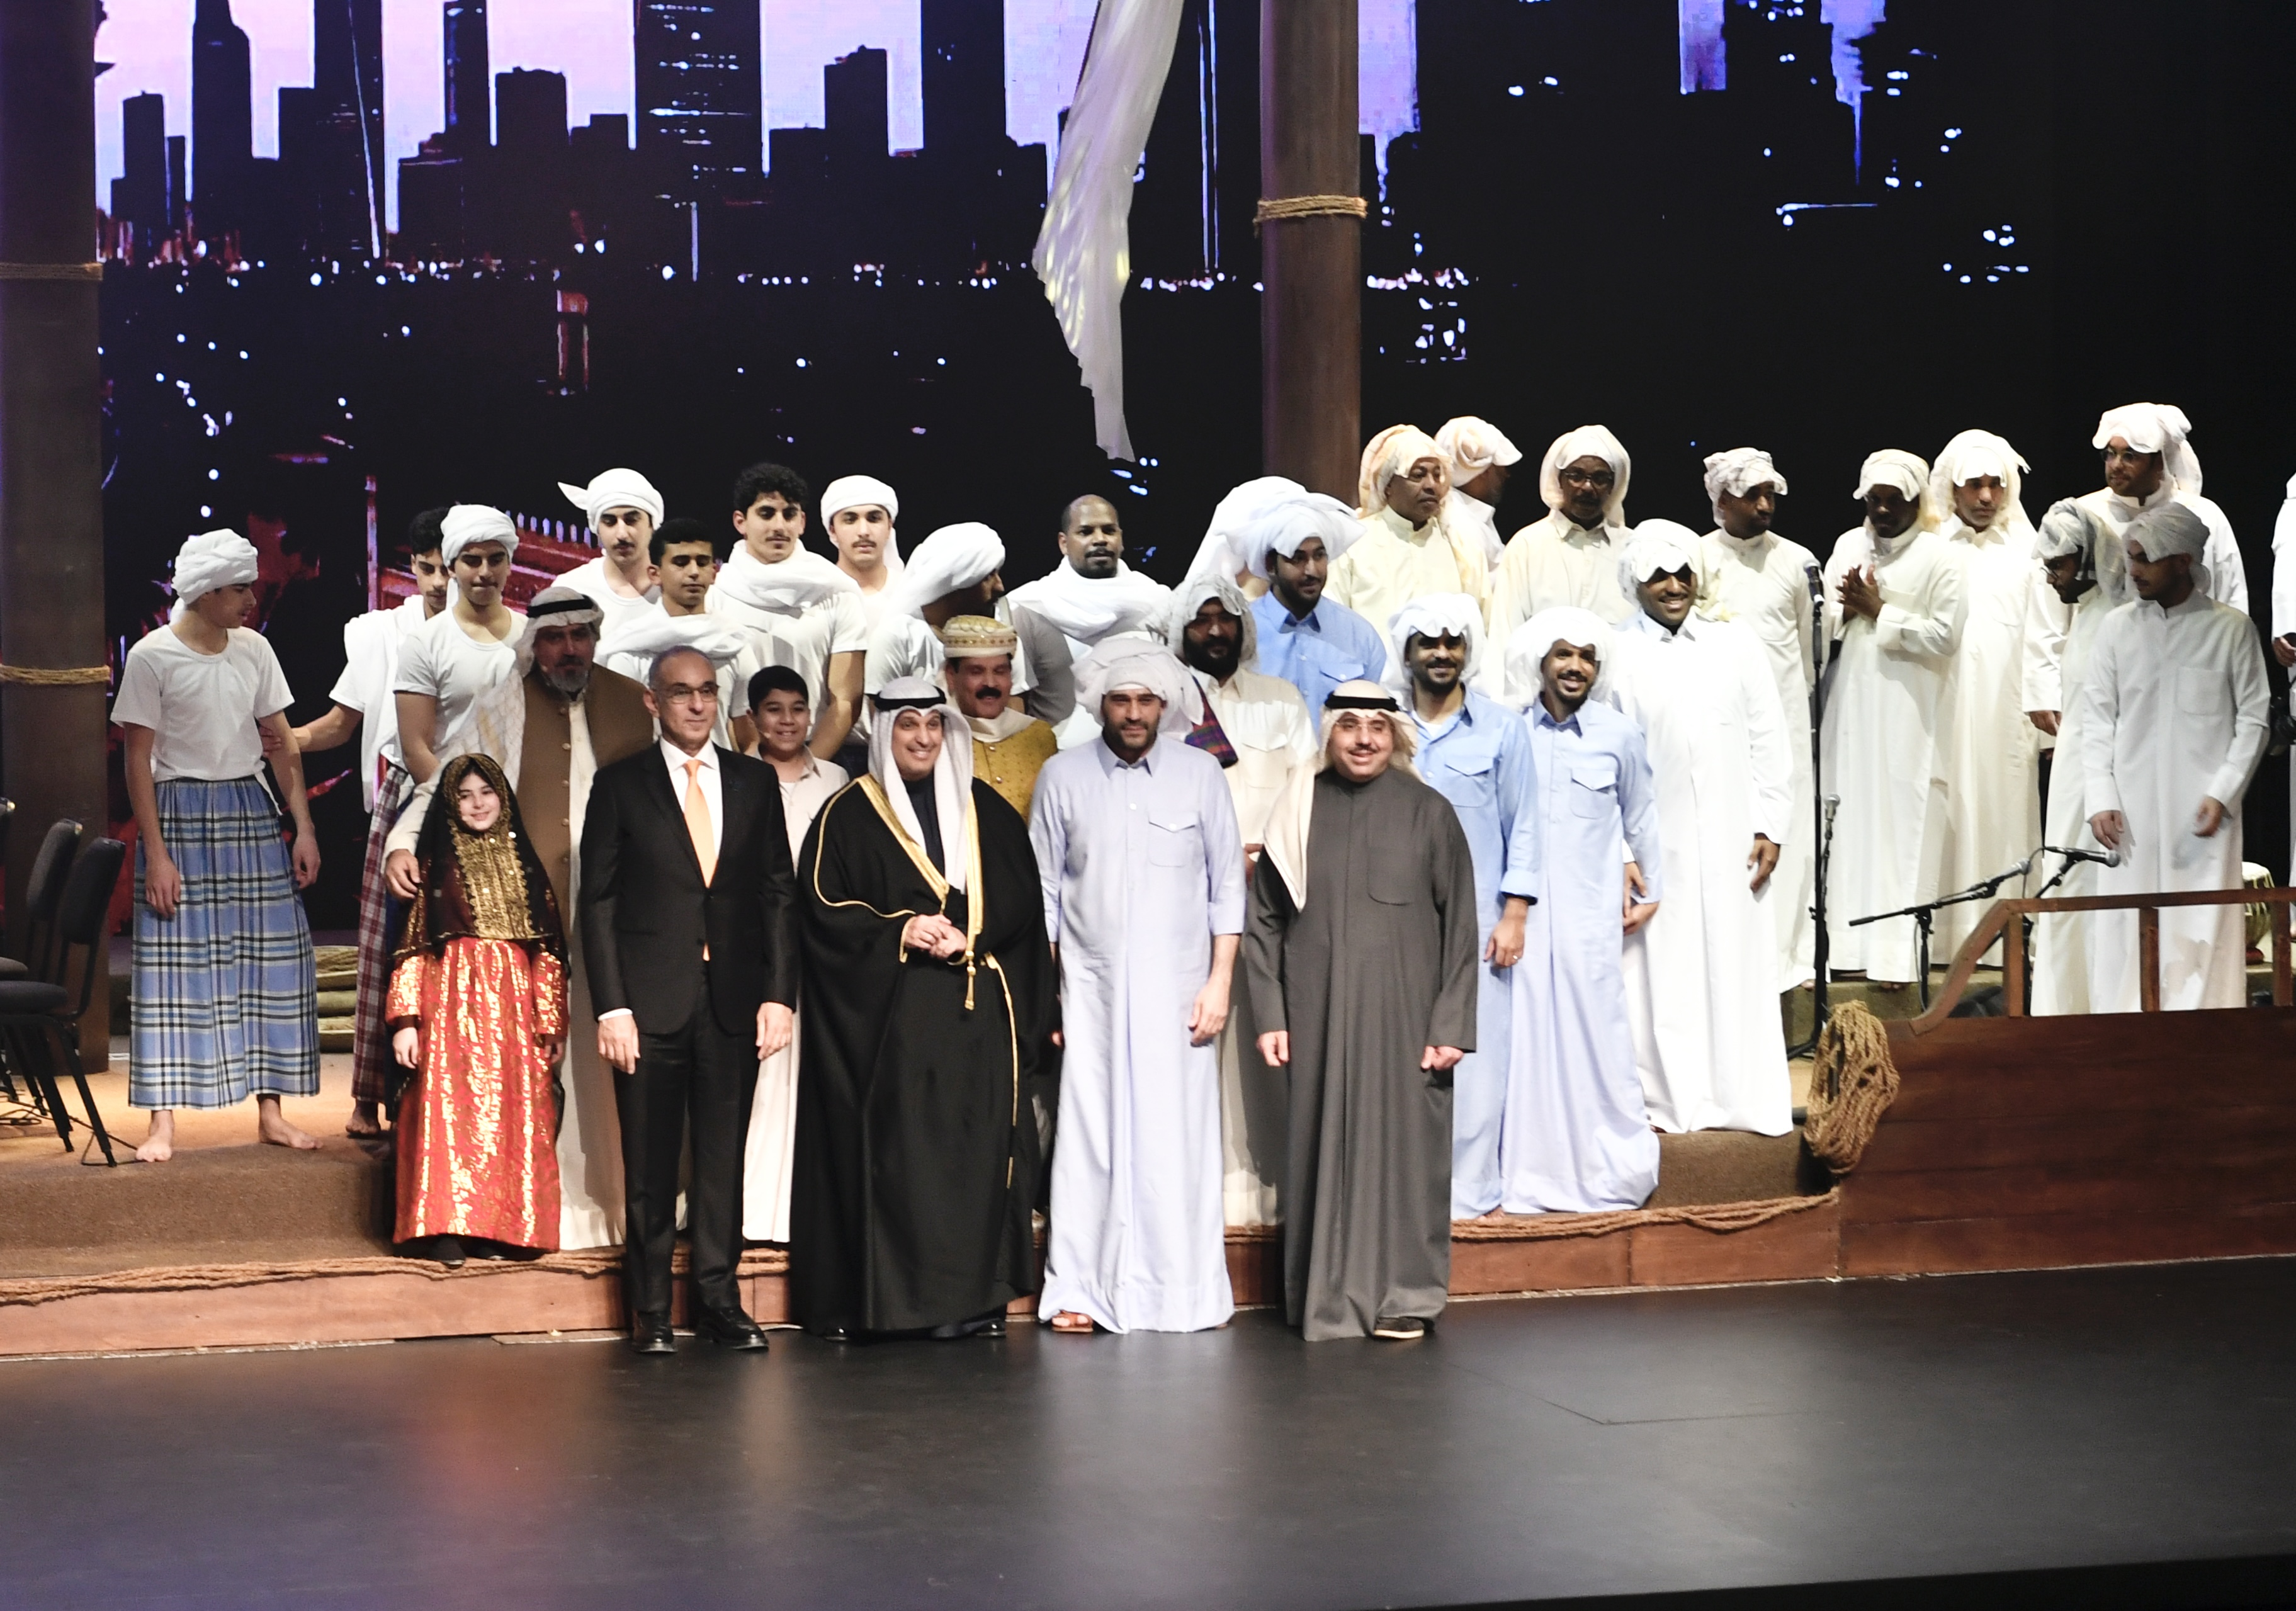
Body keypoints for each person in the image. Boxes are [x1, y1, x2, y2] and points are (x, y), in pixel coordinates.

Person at [386, 588, 655, 1248]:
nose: (569, 650)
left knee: (625, 1047)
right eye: (555, 638)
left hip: (630, 909)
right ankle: (544, 1210)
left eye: (580, 636)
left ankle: (631, 1206)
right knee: (548, 1059)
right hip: (533, 912)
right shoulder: (504, 701)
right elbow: (447, 780)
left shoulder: (635, 702)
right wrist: (403, 840)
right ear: (535, 645)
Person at [790, 678, 1058, 1340]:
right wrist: (901, 929)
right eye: (907, 724)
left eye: (933, 725)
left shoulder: (986, 811)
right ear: (885, 731)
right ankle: (907, 1307)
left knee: (976, 1158)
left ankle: (972, 1302)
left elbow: (1023, 908)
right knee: (908, 1165)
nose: (922, 738)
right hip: (895, 1029)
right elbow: (822, 912)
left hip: (979, 1023)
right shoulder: (846, 815)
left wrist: (974, 934)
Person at [581, 645, 799, 1355]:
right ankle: (648, 1310)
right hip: (648, 1004)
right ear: (654, 702)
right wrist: (612, 1007)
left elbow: (777, 893)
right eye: (681, 692)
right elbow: (598, 902)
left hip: (733, 999)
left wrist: (779, 995)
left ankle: (718, 1300)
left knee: (721, 1160)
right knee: (648, 1163)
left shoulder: (753, 781)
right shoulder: (621, 784)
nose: (698, 704)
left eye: (707, 690)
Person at [1245, 681, 1479, 1341]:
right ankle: (1323, 1297)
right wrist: (1270, 1013)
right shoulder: (1297, 809)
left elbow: (1461, 923)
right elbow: (1264, 920)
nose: (1363, 739)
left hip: (1408, 1022)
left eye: (1376, 727)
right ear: (1329, 734)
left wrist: (1452, 1025)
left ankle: (1406, 1296)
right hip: (1315, 1013)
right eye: (1348, 725)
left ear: (1394, 735)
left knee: (1408, 1158)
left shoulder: (1428, 811)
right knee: (1320, 1151)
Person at [1031, 641, 1245, 1334]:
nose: (1131, 713)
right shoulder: (1062, 776)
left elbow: (1226, 889)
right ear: (1101, 704)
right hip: (1088, 993)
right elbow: (1044, 897)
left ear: (1163, 705)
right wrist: (1050, 994)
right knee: (1089, 1139)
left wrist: (1219, 983)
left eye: (1144, 700)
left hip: (1180, 996)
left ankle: (1177, 1293)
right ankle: (1082, 1290)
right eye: (1120, 700)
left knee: (1173, 1141)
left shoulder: (1200, 774)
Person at [113, 530, 322, 1163]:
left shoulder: (255, 650)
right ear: (205, 593)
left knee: (274, 959)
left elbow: (281, 743)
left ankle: (272, 1112)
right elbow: (137, 759)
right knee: (172, 967)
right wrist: (156, 854)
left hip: (249, 810)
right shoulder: (152, 656)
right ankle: (162, 1123)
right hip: (179, 813)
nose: (251, 600)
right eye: (238, 590)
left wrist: (304, 827)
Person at [1605, 524, 1793, 1136]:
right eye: (1658, 576)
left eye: (1682, 574)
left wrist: (1770, 824)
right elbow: (1606, 759)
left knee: (1736, 962)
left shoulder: (1734, 643)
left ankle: (1740, 1097)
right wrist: (1621, 848)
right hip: (1654, 842)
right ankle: (1670, 1098)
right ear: (1635, 582)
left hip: (1734, 837)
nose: (1673, 586)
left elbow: (1767, 735)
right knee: (1662, 972)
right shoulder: (1614, 652)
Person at [290, 511, 450, 1142]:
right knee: (385, 941)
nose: (439, 582)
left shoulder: (486, 632)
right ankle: (368, 1096)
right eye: (428, 568)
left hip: (471, 794)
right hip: (405, 790)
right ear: (412, 565)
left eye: (449, 568)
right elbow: (340, 723)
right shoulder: (384, 632)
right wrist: (283, 739)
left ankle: (442, 1099)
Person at [1498, 609, 1663, 1214]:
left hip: (1589, 918)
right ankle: (1527, 1168)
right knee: (1524, 1037)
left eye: (1586, 657)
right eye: (1563, 654)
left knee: (1596, 1033)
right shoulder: (1510, 728)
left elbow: (1641, 815)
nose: (1574, 666)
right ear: (1541, 662)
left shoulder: (1619, 734)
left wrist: (1651, 890)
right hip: (1519, 916)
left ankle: (1607, 1163)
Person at [1384, 594, 1541, 1216]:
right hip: (1392, 918)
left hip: (1477, 922)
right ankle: (1400, 1190)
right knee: (1396, 1051)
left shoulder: (1502, 729)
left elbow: (1523, 825)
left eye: (1452, 643)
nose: (1441, 653)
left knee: (1476, 1057)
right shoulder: (1381, 725)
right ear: (1407, 653)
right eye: (1428, 643)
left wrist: (1514, 914)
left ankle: (1468, 1191)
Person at [1170, 572, 1316, 1226]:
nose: (1214, 631)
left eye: (1225, 618)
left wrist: (1270, 858)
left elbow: (1307, 791)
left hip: (1268, 895)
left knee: (1266, 1037)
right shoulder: (1164, 700)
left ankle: (1267, 1192)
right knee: (1193, 1036)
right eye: (1201, 620)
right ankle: (1192, 1190)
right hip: (1182, 898)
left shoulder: (1279, 699)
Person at [2082, 503, 2268, 1013]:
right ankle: (2122, 1032)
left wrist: (2223, 792)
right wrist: (2100, 796)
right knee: (2125, 925)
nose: (2134, 570)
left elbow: (2254, 720)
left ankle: (2204, 1033)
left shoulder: (2230, 630)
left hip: (2203, 816)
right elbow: (2095, 719)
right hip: (2128, 816)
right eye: (2130, 557)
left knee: (2201, 925)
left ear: (2182, 560)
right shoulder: (2116, 629)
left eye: (2146, 559)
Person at [387, 755, 566, 1266]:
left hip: (513, 1016)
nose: (477, 803)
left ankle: (497, 1226)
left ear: (502, 798)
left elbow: (547, 953)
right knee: (449, 1115)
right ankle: (445, 1226)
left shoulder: (526, 869)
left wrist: (550, 1021)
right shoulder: (435, 868)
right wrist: (406, 1022)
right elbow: (413, 949)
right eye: (464, 795)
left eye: (486, 792)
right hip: (448, 1010)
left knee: (509, 1115)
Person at [1821, 451, 1964, 987]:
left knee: (1902, 821)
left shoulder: (1940, 556)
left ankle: (1893, 959)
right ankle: (1844, 950)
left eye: (1893, 501)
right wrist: (1845, 609)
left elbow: (1945, 635)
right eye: (1873, 500)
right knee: (1848, 818)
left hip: (1911, 709)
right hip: (1851, 703)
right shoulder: (1846, 546)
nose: (1881, 511)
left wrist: (1880, 610)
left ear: (1916, 501)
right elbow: (1824, 619)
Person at [1697, 449, 1820, 989]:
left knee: (1785, 829)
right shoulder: (1697, 557)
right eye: (1752, 495)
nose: (1765, 505)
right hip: (1718, 721)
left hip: (1784, 718)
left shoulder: (1797, 560)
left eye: (1770, 494)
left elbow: (1812, 647)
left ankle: (1786, 958)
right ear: (1722, 500)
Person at [740, 665, 849, 1245]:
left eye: (798, 708)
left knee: (813, 1077)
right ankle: (753, 1214)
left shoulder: (836, 780)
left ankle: (806, 1209)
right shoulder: (734, 776)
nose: (787, 721)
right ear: (753, 717)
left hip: (824, 951)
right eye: (774, 709)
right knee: (762, 1080)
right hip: (756, 950)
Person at [1928, 431, 2043, 958]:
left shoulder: (2028, 550)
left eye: (1994, 484)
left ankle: (2004, 942)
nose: (1984, 496)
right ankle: (1943, 940)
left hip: (2006, 709)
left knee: (2004, 813)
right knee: (1946, 810)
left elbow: (2046, 633)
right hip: (1943, 708)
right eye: (1972, 484)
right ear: (1951, 489)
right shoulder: (1931, 548)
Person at [2023, 499, 2130, 1016]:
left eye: (2058, 565)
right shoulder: (2086, 614)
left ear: (2087, 560)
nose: (2051, 577)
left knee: (2093, 890)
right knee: (2065, 886)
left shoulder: (2118, 621)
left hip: (2101, 780)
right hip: (2072, 775)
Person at [711, 461, 866, 762]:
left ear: (802, 522)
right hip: (738, 762)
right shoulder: (716, 594)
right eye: (766, 513)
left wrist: (807, 769)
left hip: (820, 758)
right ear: (741, 521)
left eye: (789, 514)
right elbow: (722, 699)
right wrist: (754, 769)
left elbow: (847, 700)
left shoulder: (837, 592)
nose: (779, 526)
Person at [866, 521, 1075, 727]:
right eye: (988, 577)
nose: (1000, 587)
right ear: (955, 583)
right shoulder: (898, 638)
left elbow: (1013, 721)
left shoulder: (1001, 638)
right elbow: (885, 728)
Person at [597, 516, 757, 752]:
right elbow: (621, 736)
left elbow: (750, 738)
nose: (694, 572)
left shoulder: (734, 643)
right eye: (681, 563)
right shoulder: (629, 650)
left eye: (702, 562)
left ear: (714, 573)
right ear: (655, 574)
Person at [395, 506, 525, 784]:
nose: (485, 572)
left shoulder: (531, 636)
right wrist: (465, 800)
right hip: (444, 796)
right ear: (453, 567)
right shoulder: (424, 644)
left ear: (509, 564)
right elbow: (415, 749)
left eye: (495, 560)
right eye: (472, 561)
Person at [2083, 402, 2246, 611]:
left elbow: (2231, 597)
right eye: (2110, 454)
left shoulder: (2204, 515)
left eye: (2130, 456)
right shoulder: (2083, 514)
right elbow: (2051, 615)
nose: (2116, 465)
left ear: (2161, 461)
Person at [1245, 490, 1389, 715]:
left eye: (1319, 556)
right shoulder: (1243, 631)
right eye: (1298, 558)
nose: (1312, 570)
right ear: (1271, 566)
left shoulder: (1360, 636)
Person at [1328, 425, 1486, 628]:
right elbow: (1334, 621)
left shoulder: (1461, 548)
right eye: (1418, 475)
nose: (1431, 485)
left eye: (1437, 475)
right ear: (1388, 485)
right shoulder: (1353, 543)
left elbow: (1482, 626)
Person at [1002, 495, 1175, 676]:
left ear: (1121, 540)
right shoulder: (1027, 606)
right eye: (1086, 532)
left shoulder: (1157, 601)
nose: (1100, 539)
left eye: (1109, 531)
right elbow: (1012, 689)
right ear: (1064, 543)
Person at [1491, 424, 1635, 641]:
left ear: (1613, 486)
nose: (1587, 487)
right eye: (1576, 476)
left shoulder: (1631, 549)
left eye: (1599, 478)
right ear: (1560, 480)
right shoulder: (1528, 545)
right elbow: (1504, 633)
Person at [939, 614, 1059, 816]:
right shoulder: (937, 737)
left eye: (1000, 671)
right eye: (976, 672)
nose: (990, 683)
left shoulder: (1039, 736)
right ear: (951, 676)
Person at [557, 467, 665, 640]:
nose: (622, 534)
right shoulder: (570, 590)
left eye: (631, 520)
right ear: (597, 529)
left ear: (652, 524)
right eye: (610, 522)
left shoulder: (680, 588)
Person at [1434, 415, 1522, 580]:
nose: (1506, 475)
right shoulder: (1460, 525)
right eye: (1500, 468)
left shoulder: (1472, 517)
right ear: (1484, 472)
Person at [821, 474, 905, 635]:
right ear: (832, 531)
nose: (864, 531)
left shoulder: (909, 593)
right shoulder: (816, 594)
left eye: (874, 519)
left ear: (889, 527)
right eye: (850, 520)